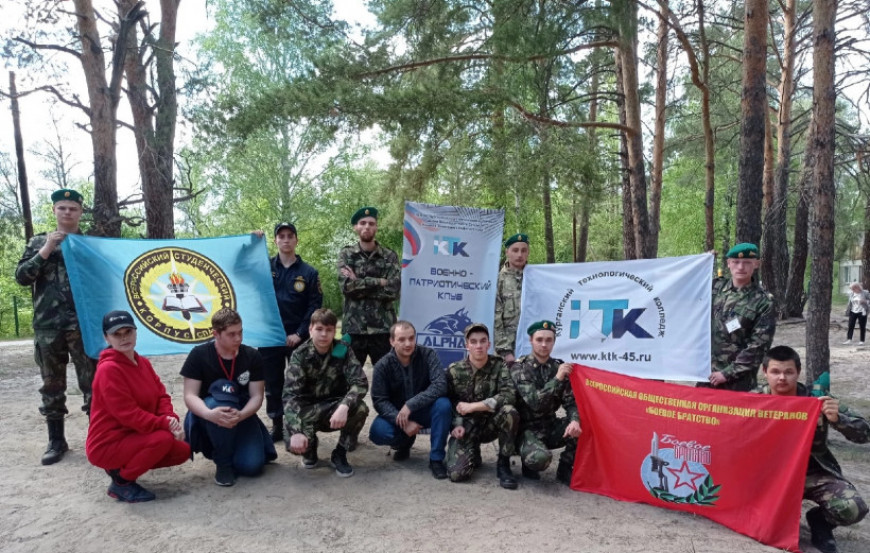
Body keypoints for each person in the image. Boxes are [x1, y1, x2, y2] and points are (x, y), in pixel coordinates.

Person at [758, 346, 868, 553]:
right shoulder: (754, 400)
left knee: (853, 508)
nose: (782, 378)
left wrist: (837, 419)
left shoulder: (817, 398)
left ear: (798, 372)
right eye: (775, 372)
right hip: (770, 476)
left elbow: (864, 433)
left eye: (788, 372)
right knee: (763, 527)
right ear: (765, 372)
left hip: (813, 472)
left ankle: (820, 522)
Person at [15, 188, 97, 465]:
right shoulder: (38, 242)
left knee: (93, 385)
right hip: (48, 326)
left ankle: (98, 439)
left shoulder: (89, 244)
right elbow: (22, 277)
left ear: (80, 212)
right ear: (54, 211)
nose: (67, 212)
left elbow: (102, 281)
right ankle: (56, 441)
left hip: (83, 326)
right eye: (62, 208)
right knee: (52, 385)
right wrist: (47, 248)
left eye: (73, 208)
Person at [86, 310, 190, 502]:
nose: (124, 338)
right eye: (117, 334)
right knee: (162, 439)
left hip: (135, 434)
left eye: (128, 332)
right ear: (106, 337)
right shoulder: (108, 369)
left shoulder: (143, 362)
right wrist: (164, 424)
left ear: (135, 332)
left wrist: (170, 418)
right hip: (108, 443)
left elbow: (161, 395)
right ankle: (121, 482)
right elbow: (128, 414)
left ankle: (121, 466)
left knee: (182, 451)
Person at [181, 308, 276, 487]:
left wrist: (241, 415)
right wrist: (209, 414)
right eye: (231, 334)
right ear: (216, 334)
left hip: (241, 414)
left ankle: (236, 446)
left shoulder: (252, 356)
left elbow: (257, 396)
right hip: (209, 414)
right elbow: (190, 395)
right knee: (221, 400)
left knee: (251, 466)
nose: (238, 338)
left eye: (240, 332)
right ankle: (223, 463)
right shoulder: (199, 355)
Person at [283, 308, 369, 477]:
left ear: (334, 331)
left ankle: (340, 453)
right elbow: (291, 396)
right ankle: (310, 447)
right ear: (310, 329)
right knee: (293, 443)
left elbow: (360, 382)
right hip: (308, 410)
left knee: (360, 408)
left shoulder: (343, 350)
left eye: (329, 330)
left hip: (334, 408)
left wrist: (344, 406)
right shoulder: (300, 355)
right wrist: (296, 431)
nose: (324, 334)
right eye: (319, 329)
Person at [260, 222, 322, 443]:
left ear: (296, 240)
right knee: (273, 383)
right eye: (281, 236)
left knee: (302, 383)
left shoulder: (309, 273)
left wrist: (299, 333)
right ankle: (277, 425)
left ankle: (302, 425)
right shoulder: (263, 268)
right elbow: (239, 271)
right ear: (275, 240)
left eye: (290, 236)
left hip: (298, 337)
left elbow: (314, 306)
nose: (286, 240)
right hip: (270, 337)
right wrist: (250, 243)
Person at [369, 321, 451, 480]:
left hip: (425, 410)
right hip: (399, 414)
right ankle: (404, 442)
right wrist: (402, 421)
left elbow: (440, 385)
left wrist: (410, 405)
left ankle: (436, 459)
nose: (408, 344)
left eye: (411, 338)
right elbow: (379, 400)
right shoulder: (382, 365)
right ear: (392, 341)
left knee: (443, 405)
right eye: (401, 339)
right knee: (378, 432)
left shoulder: (428, 354)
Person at [445, 323, 519, 489]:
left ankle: (504, 464)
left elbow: (509, 395)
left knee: (510, 412)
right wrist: (456, 425)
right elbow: (448, 401)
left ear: (488, 344)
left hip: (491, 424)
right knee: (457, 474)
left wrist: (474, 406)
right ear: (467, 345)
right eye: (473, 342)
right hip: (466, 428)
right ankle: (473, 451)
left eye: (482, 341)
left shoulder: (499, 366)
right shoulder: (454, 370)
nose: (478, 346)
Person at [511, 320, 581, 485]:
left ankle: (565, 467)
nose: (544, 344)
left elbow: (570, 402)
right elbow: (535, 402)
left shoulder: (557, 366)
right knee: (540, 459)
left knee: (583, 423)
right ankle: (528, 461)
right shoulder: (519, 368)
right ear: (531, 340)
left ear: (554, 342)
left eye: (549, 340)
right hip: (526, 430)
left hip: (550, 426)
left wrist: (574, 420)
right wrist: (557, 378)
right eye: (539, 339)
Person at [701, 242, 775, 391]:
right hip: (705, 375)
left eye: (747, 262)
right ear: (728, 263)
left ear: (756, 264)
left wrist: (727, 374)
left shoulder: (762, 301)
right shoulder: (715, 287)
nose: (741, 267)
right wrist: (701, 263)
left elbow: (758, 346)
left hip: (738, 381)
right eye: (736, 262)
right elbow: (685, 287)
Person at [338, 206, 401, 368]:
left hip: (383, 329)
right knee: (349, 377)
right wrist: (379, 281)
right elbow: (347, 288)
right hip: (354, 329)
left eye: (371, 223)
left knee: (386, 377)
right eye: (363, 223)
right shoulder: (347, 255)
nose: (367, 227)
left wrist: (359, 282)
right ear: (355, 227)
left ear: (376, 227)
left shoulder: (389, 256)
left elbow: (393, 291)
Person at [494, 233, 529, 365]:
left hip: (533, 349)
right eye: (515, 250)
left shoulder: (536, 278)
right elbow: (495, 318)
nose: (519, 255)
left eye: (523, 250)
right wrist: (505, 351)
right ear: (507, 252)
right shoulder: (498, 280)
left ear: (528, 253)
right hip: (507, 352)